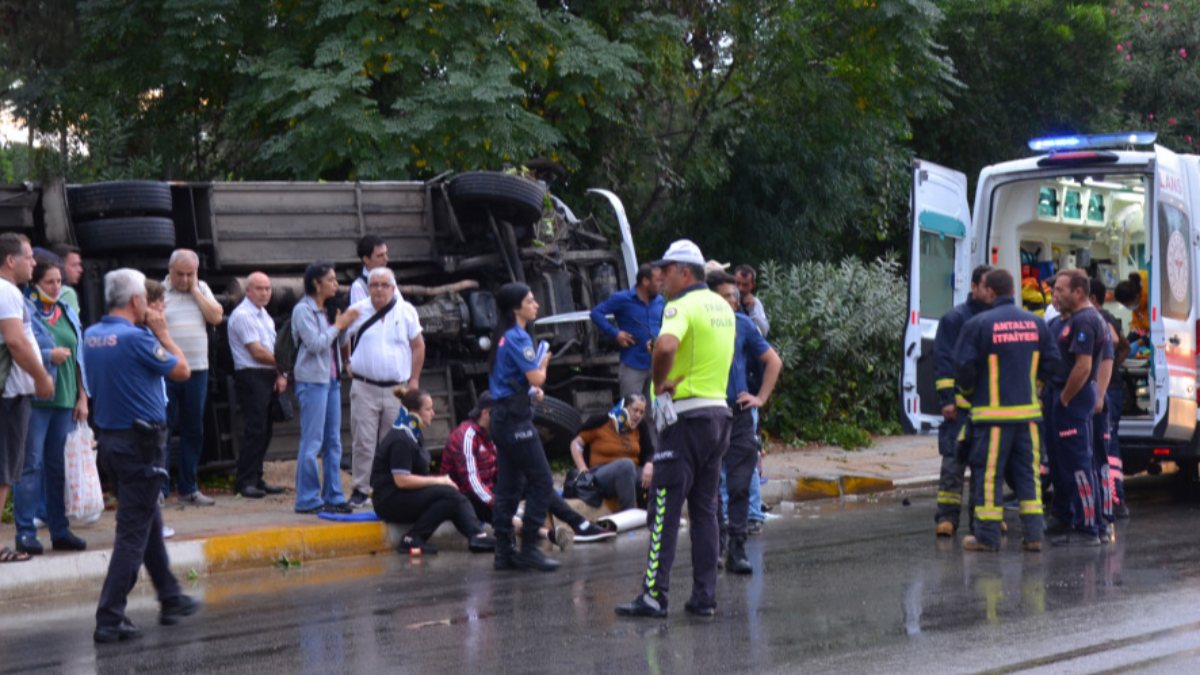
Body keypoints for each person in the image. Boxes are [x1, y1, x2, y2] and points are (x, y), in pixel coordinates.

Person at [616, 239, 735, 619]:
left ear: (685, 272)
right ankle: (704, 598)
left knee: (664, 506)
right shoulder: (722, 306)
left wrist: (659, 378)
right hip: (719, 415)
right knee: (705, 509)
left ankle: (654, 595)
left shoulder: (679, 306)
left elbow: (666, 347)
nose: (660, 278)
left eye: (666, 271)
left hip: (684, 418)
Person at [83, 268, 200, 643]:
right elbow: (182, 370)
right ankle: (110, 616)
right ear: (137, 301)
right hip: (141, 445)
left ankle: (170, 596)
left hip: (113, 442)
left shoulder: (93, 335)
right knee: (133, 534)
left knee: (147, 521)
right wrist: (162, 332)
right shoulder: (136, 339)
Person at [953, 269, 1059, 553]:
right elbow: (1052, 363)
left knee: (990, 476)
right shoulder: (1036, 324)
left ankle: (986, 536)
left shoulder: (979, 324)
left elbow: (963, 369)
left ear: (990, 292)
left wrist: (969, 395)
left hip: (992, 418)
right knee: (1029, 475)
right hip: (1028, 417)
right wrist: (1035, 387)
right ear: (1012, 290)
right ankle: (1034, 535)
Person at [443, 391, 612, 546]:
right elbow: (472, 483)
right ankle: (542, 534)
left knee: (536, 483)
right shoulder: (467, 435)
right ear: (487, 413)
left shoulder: (493, 432)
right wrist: (502, 503)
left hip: (490, 491)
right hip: (468, 497)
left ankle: (579, 524)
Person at [13, 253, 89, 555]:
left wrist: (83, 396)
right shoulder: (25, 309)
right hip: (37, 398)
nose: (56, 287)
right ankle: (26, 532)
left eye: (59, 281)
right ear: (36, 281)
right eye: (49, 281)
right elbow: (17, 346)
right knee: (32, 466)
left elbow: (79, 354)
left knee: (59, 468)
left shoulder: (67, 310)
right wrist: (48, 357)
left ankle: (60, 530)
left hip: (66, 398)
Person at [708, 271, 781, 574]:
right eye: (726, 296)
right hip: (708, 413)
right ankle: (715, 546)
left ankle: (737, 547)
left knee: (739, 484)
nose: (733, 301)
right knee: (710, 487)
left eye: (735, 297)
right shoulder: (699, 325)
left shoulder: (743, 325)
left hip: (738, 414)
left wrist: (760, 398)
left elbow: (773, 361)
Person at [488, 282, 561, 572]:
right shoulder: (518, 338)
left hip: (503, 416)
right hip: (514, 420)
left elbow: (510, 381)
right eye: (530, 301)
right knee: (542, 480)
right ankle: (530, 546)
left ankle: (504, 551)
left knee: (509, 486)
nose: (536, 305)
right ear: (516, 308)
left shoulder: (503, 337)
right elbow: (536, 378)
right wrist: (543, 363)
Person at [371, 388, 495, 554]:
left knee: (452, 498)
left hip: (402, 495)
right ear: (414, 412)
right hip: (389, 500)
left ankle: (476, 537)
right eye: (428, 409)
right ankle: (414, 538)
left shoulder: (413, 434)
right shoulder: (400, 439)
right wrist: (439, 480)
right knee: (448, 493)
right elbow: (402, 480)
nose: (433, 413)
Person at [344, 267, 425, 509]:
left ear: (393, 287)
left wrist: (414, 381)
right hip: (364, 385)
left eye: (383, 285)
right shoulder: (356, 311)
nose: (379, 289)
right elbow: (341, 336)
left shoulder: (406, 311)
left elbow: (418, 346)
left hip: (396, 387)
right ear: (368, 288)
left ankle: (389, 487)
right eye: (374, 284)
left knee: (395, 440)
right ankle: (361, 488)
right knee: (363, 440)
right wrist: (348, 361)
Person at [0, 233, 55, 563]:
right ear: (10, 260)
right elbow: (17, 342)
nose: (33, 263)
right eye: (29, 257)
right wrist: (41, 376)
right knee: (3, 472)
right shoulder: (7, 292)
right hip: (9, 395)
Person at [1047, 269, 1110, 546]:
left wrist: (1064, 399)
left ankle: (1089, 527)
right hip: (1063, 396)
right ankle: (1069, 518)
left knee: (1080, 466)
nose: (1055, 294)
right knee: (1064, 464)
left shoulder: (1086, 321)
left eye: (1060, 289)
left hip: (1073, 397)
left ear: (1079, 292)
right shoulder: (1069, 320)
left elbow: (1083, 367)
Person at [291, 261, 360, 514]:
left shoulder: (329, 309)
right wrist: (339, 326)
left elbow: (337, 342)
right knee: (312, 442)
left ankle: (333, 495)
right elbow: (316, 344)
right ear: (316, 283)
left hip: (331, 380)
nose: (336, 284)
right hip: (311, 381)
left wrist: (346, 326)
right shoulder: (303, 310)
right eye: (330, 280)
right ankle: (307, 498)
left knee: (334, 441)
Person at [932, 265, 992, 537]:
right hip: (959, 407)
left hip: (987, 407)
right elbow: (943, 361)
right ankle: (947, 518)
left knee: (984, 466)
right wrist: (947, 399)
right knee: (953, 465)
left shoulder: (995, 318)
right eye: (986, 287)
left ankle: (980, 519)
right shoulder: (955, 319)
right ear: (974, 287)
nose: (990, 293)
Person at [162, 249, 224, 505]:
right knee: (163, 429)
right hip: (167, 370)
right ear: (170, 271)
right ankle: (160, 490)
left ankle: (189, 487)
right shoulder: (158, 291)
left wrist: (196, 290)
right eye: (180, 275)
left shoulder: (202, 288)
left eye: (190, 274)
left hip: (198, 369)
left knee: (193, 429)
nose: (185, 280)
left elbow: (216, 316)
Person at [227, 272, 288, 499]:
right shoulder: (242, 315)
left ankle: (257, 477)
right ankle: (245, 481)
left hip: (268, 374)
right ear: (248, 291)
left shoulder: (265, 316)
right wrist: (286, 363)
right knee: (255, 429)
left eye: (268, 289)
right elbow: (258, 352)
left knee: (266, 429)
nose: (265, 293)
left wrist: (281, 373)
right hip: (251, 375)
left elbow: (273, 348)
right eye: (260, 289)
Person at [588, 263, 664, 401]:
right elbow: (596, 313)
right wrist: (615, 333)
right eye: (658, 280)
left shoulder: (660, 301)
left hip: (656, 364)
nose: (661, 284)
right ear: (646, 281)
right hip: (632, 364)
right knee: (630, 411)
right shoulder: (622, 298)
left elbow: (664, 325)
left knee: (655, 414)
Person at [568, 395, 654, 513]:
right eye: (635, 410)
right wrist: (582, 468)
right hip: (602, 474)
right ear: (624, 408)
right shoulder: (601, 422)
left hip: (631, 473)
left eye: (641, 412)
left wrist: (649, 464)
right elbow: (576, 444)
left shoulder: (640, 428)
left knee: (656, 471)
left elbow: (649, 451)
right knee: (626, 465)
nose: (638, 415)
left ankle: (652, 515)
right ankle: (628, 513)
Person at [1091, 278, 1131, 519]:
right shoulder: (1108, 317)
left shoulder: (1100, 318)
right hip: (1112, 385)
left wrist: (1105, 367)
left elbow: (1116, 342)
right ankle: (1113, 497)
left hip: (1107, 388)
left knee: (1108, 442)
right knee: (1109, 440)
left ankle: (1115, 498)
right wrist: (1112, 365)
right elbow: (1123, 346)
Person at [349, 234, 390, 305]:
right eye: (380, 256)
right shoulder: (359, 286)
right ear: (366, 259)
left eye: (385, 254)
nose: (386, 259)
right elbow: (362, 314)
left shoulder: (389, 278)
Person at [733, 264, 769, 337]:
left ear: (753, 285)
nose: (740, 288)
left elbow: (764, 332)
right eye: (738, 283)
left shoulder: (755, 303)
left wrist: (751, 310)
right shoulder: (725, 299)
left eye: (745, 285)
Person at [1113, 270, 1149, 340]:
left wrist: (1142, 341)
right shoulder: (1138, 307)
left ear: (1136, 296)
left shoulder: (1150, 291)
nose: (1128, 307)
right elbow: (1138, 326)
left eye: (1127, 304)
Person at [50, 243, 84, 314]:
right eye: (74, 265)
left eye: (79, 265)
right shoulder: (67, 293)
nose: (80, 270)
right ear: (60, 266)